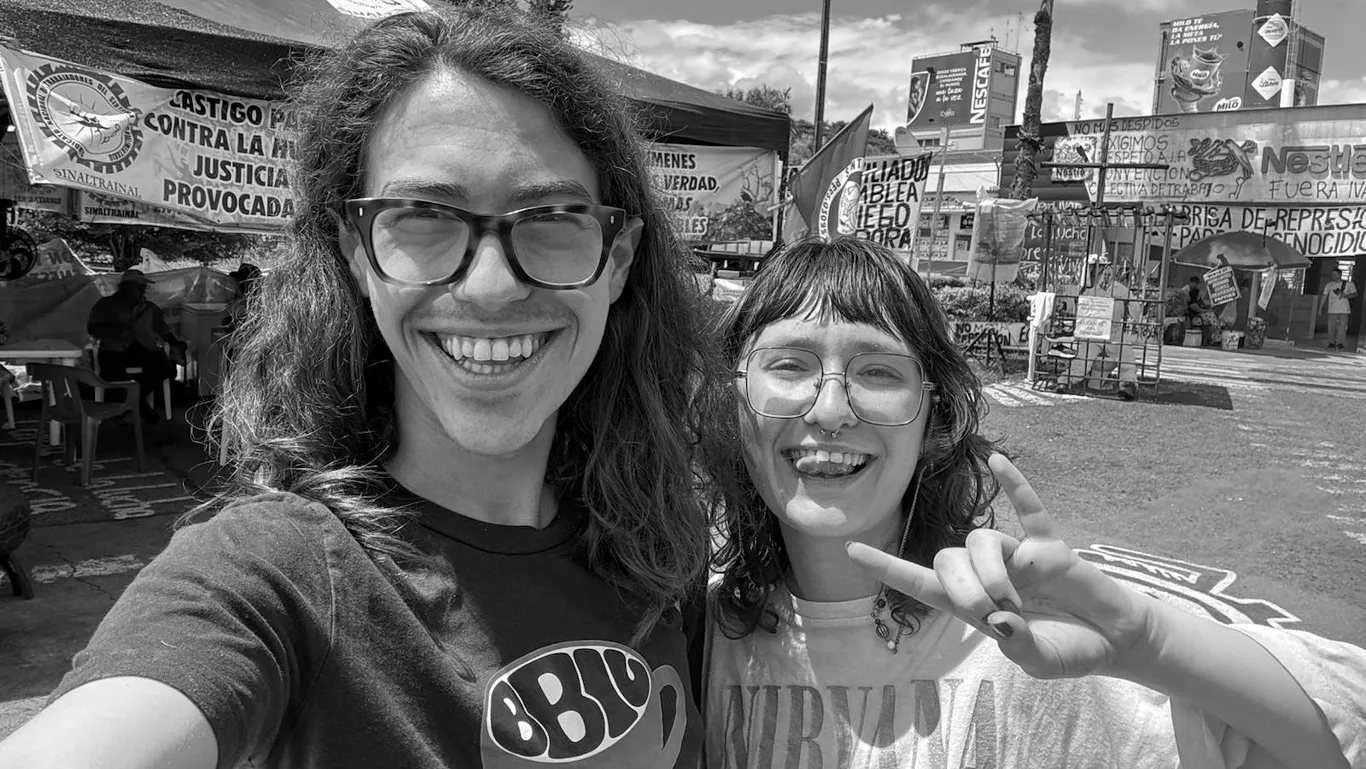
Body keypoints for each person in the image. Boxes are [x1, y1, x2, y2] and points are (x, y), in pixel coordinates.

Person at [0, 8, 713, 768]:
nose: (493, 285)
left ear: (620, 257)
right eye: (423, 217)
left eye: (551, 216)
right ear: (354, 253)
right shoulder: (279, 572)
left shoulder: (656, 544)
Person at [698, 236, 1366, 768]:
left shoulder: (1028, 636)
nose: (832, 407)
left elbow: (1339, 731)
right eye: (789, 365)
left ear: (934, 418)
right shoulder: (691, 632)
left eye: (878, 371)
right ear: (731, 399)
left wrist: (1144, 640)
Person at [86, 268, 186, 423]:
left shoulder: (149, 308)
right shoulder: (106, 305)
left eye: (144, 287)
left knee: (165, 367)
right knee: (112, 371)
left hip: (142, 347)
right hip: (114, 347)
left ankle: (135, 400)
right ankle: (131, 408)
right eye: (139, 287)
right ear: (126, 287)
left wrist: (176, 344)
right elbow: (93, 328)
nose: (143, 290)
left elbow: (163, 329)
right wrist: (117, 330)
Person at [1322, 268, 1357, 351]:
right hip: (1332, 309)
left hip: (1344, 310)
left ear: (1340, 274)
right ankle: (1331, 342)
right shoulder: (1329, 285)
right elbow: (1324, 296)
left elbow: (1355, 294)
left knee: (1342, 327)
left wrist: (1346, 296)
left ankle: (1340, 343)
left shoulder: (1348, 284)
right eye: (1332, 275)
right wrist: (1320, 307)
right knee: (1331, 327)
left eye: (1335, 274)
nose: (1334, 276)